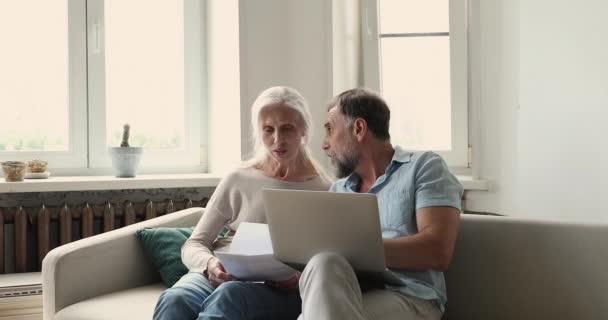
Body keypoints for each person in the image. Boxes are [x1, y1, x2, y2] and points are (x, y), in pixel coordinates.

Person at [152, 86, 332, 320]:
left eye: (287, 128)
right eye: (268, 130)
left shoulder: (325, 189)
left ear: (304, 130)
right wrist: (211, 264)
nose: (278, 139)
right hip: (225, 274)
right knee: (174, 299)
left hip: (284, 290)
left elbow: (334, 259)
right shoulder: (238, 178)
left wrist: (301, 278)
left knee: (229, 295)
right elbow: (194, 244)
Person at [297, 88, 463, 320]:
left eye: (330, 129)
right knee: (324, 262)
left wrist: (354, 250)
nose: (325, 144)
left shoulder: (423, 167)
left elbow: (437, 251)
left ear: (359, 129)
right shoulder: (339, 190)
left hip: (411, 297)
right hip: (350, 293)